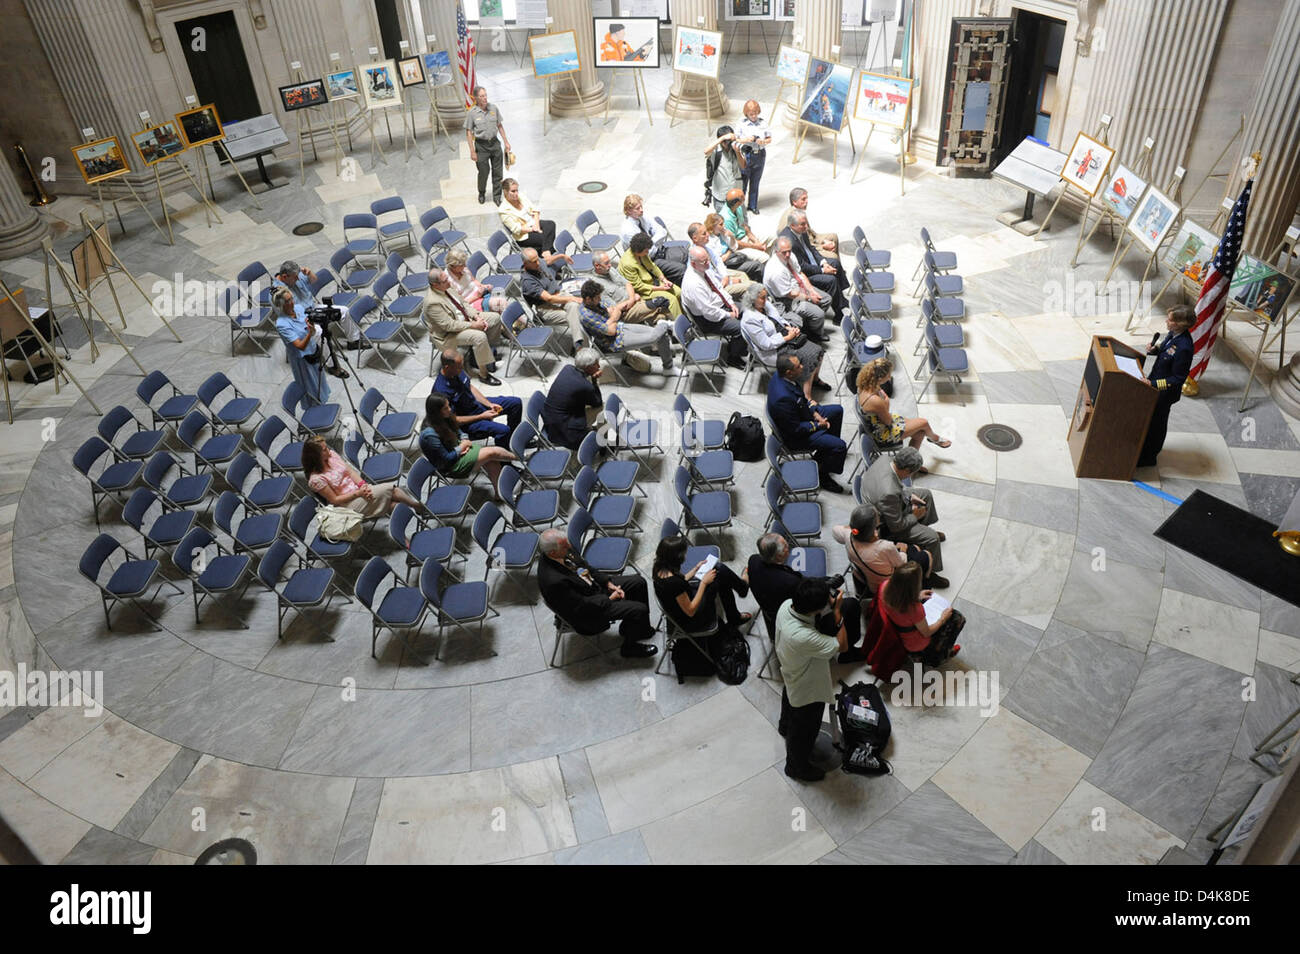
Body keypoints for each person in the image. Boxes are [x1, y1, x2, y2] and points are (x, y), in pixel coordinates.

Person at [537, 529, 657, 658]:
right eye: (565, 546)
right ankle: (629, 648)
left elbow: (586, 568)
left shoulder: (562, 550)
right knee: (639, 610)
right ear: (552, 552)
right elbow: (581, 606)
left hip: (592, 588)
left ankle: (638, 629)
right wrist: (609, 598)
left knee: (638, 582)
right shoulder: (554, 581)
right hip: (588, 612)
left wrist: (608, 584)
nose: (570, 547)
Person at [775, 577, 848, 782]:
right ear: (816, 609)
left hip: (790, 670)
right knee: (805, 730)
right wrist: (837, 612)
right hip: (808, 688)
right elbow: (842, 645)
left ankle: (784, 726)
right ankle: (796, 767)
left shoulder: (786, 605)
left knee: (789, 701)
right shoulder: (803, 636)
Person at [748, 533, 862, 662]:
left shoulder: (754, 560)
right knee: (852, 604)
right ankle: (849, 653)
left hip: (771, 610)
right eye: (786, 546)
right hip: (799, 618)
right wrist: (833, 603)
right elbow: (813, 604)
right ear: (779, 556)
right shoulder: (790, 583)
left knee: (825, 581)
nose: (789, 546)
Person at [860, 446, 948, 587]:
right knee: (933, 538)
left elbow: (897, 486)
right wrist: (914, 515)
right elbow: (896, 526)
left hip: (886, 501)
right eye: (912, 473)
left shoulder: (885, 459)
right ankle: (930, 574)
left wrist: (908, 495)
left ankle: (921, 531)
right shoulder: (888, 492)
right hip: (885, 523)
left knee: (926, 494)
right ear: (907, 471)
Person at [767, 353, 847, 492]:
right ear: (789, 372)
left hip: (802, 415)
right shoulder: (782, 398)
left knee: (837, 410)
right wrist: (818, 425)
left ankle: (827, 453)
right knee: (840, 446)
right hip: (797, 437)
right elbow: (795, 429)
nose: (802, 367)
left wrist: (815, 413)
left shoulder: (782, 377)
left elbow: (801, 399)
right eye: (799, 366)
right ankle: (823, 475)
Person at [418, 393, 516, 499]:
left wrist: (464, 439)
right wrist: (461, 448)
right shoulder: (429, 435)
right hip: (451, 465)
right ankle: (520, 457)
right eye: (446, 408)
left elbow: (458, 429)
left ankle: (499, 494)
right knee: (492, 452)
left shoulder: (444, 416)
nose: (450, 409)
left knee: (491, 459)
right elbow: (446, 459)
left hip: (458, 449)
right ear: (437, 412)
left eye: (448, 406)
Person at [738, 284, 827, 399]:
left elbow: (778, 319)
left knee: (819, 351)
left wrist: (788, 327)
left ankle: (815, 379)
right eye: (763, 298)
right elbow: (766, 344)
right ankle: (807, 397)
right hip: (773, 349)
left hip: (783, 335)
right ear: (752, 300)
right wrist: (787, 337)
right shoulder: (750, 319)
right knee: (809, 357)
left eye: (766, 296)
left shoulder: (765, 304)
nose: (766, 300)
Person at [652, 536, 751, 636]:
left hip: (683, 604)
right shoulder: (673, 583)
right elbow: (690, 611)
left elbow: (681, 582)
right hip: (692, 620)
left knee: (718, 572)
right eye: (684, 554)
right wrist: (703, 583)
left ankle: (738, 602)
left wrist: (696, 569)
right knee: (720, 576)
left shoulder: (659, 567)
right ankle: (741, 594)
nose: (685, 556)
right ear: (676, 557)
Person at [832, 503, 932, 598]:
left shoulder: (848, 535)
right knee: (925, 554)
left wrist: (850, 529)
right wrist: (903, 550)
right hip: (887, 585)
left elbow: (835, 530)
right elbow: (901, 564)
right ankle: (924, 587)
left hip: (866, 574)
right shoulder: (884, 547)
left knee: (914, 548)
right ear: (874, 529)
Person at [422, 268, 503, 385]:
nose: (449, 282)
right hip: (448, 334)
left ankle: (481, 355)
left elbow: (464, 304)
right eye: (445, 281)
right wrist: (473, 325)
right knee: (479, 336)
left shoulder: (446, 286)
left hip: (463, 318)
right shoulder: (432, 303)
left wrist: (476, 317)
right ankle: (483, 374)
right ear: (435, 285)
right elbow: (449, 325)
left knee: (495, 318)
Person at [302, 435, 419, 516]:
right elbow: (335, 500)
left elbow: (350, 471)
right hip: (347, 505)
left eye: (326, 447)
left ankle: (402, 534)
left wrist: (363, 485)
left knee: (393, 505)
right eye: (324, 449)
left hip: (359, 491)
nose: (328, 450)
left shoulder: (332, 455)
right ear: (315, 456)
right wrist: (358, 493)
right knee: (391, 489)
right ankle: (417, 506)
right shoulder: (316, 479)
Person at [1137, 305, 1195, 468]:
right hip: (1154, 383)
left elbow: (1178, 378)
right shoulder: (1173, 334)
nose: (1166, 321)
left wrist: (1153, 384)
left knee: (1156, 424)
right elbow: (1165, 352)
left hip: (1164, 393)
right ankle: (1142, 449)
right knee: (1148, 421)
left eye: (1169, 319)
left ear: (1179, 324)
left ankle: (1149, 457)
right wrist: (1154, 349)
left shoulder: (1184, 347)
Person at [578, 279, 674, 374]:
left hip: (621, 327)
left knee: (660, 333)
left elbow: (615, 309)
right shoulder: (586, 315)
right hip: (614, 341)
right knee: (654, 337)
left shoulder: (596, 303)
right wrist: (613, 317)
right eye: (597, 297)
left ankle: (668, 368)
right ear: (588, 299)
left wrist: (611, 318)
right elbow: (611, 331)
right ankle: (665, 324)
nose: (600, 299)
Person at [875, 561, 961, 666]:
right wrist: (942, 618)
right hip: (916, 643)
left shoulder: (885, 587)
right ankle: (942, 653)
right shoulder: (914, 608)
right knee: (957, 618)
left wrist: (918, 596)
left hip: (899, 627)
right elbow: (927, 632)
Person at [856, 358, 951, 450]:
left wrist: (883, 400)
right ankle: (935, 438)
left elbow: (881, 398)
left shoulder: (866, 384)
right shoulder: (874, 400)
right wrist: (886, 401)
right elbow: (888, 421)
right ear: (880, 378)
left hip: (877, 422)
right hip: (882, 433)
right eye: (888, 375)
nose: (889, 377)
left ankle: (909, 464)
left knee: (920, 433)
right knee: (924, 422)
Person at [433, 348, 522, 446]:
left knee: (515, 403)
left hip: (475, 405)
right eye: (459, 367)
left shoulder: (456, 371)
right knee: (503, 430)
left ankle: (514, 441)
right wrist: (481, 417)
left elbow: (470, 387)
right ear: (447, 367)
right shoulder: (440, 391)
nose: (462, 369)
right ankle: (504, 459)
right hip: (467, 422)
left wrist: (489, 404)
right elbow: (454, 420)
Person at [780, 210, 847, 318]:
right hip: (804, 274)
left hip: (812, 262)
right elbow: (802, 267)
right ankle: (838, 314)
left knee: (835, 263)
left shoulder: (802, 230)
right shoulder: (789, 241)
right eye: (803, 224)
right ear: (792, 225)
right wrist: (822, 270)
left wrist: (823, 262)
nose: (806, 226)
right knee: (831, 280)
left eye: (806, 223)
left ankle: (841, 299)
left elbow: (811, 249)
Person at [272, 286, 331, 408]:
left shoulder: (299, 309)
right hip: (302, 361)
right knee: (310, 388)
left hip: (313, 351)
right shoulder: (282, 324)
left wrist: (312, 328)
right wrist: (309, 333)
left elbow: (311, 329)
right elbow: (299, 346)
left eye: (291, 299)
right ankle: (314, 413)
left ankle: (323, 405)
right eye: (287, 301)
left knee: (320, 382)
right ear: (281, 305)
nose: (292, 302)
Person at [763, 236, 831, 339]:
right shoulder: (776, 271)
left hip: (798, 287)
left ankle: (811, 325)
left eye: (789, 251)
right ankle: (815, 334)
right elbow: (790, 294)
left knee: (826, 299)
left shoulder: (790, 256)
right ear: (776, 252)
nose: (788, 255)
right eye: (784, 252)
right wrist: (809, 297)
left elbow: (800, 273)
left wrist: (811, 290)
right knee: (819, 314)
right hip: (787, 299)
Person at [519, 248, 586, 350]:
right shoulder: (527, 282)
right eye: (534, 262)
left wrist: (561, 256)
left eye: (538, 259)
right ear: (525, 263)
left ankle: (579, 344)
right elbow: (549, 298)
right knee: (579, 316)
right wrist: (571, 298)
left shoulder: (536, 262)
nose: (538, 263)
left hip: (559, 295)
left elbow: (547, 261)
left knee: (576, 307)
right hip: (546, 308)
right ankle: (582, 350)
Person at [618, 194, 687, 286]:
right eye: (637, 208)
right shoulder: (628, 230)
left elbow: (662, 231)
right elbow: (646, 252)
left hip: (659, 251)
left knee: (685, 253)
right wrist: (654, 241)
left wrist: (650, 242)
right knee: (681, 269)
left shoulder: (642, 217)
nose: (641, 210)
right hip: (648, 261)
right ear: (629, 211)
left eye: (641, 206)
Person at [542, 349, 604, 451]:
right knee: (602, 411)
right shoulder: (584, 385)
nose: (599, 367)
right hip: (563, 431)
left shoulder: (568, 368)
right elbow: (597, 402)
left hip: (551, 420)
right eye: (596, 364)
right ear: (588, 367)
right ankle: (606, 444)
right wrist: (594, 380)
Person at [681, 245, 743, 339]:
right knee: (742, 328)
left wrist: (731, 303)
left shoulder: (703, 268)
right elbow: (709, 312)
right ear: (693, 264)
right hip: (709, 319)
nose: (708, 263)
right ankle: (735, 352)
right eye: (704, 261)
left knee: (750, 310)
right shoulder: (694, 284)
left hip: (720, 306)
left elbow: (718, 288)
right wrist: (729, 314)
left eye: (708, 259)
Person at [619, 232, 682, 317]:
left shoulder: (642, 253)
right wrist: (661, 288)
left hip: (653, 282)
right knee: (671, 300)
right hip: (645, 291)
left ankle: (685, 315)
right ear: (638, 251)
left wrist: (664, 280)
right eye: (646, 251)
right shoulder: (628, 264)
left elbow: (652, 266)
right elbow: (639, 286)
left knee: (679, 292)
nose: (647, 252)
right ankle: (679, 323)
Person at [467, 86, 511, 205]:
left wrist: (506, 142)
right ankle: (481, 192)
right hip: (481, 146)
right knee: (483, 172)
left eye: (485, 95)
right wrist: (472, 151)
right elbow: (469, 132)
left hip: (495, 143)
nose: (485, 98)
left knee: (498, 172)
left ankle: (497, 196)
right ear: (476, 98)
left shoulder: (493, 108)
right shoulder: (472, 113)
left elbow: (500, 125)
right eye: (481, 96)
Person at [589, 251, 660, 324]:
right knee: (659, 303)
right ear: (597, 266)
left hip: (635, 300)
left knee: (660, 315)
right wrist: (631, 301)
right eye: (606, 263)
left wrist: (632, 298)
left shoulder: (610, 270)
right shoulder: (596, 286)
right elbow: (614, 308)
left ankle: (662, 325)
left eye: (609, 262)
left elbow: (627, 284)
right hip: (627, 312)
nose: (610, 265)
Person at [688, 220, 750, 296]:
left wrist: (725, 276)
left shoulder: (707, 247)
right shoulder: (696, 257)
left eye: (707, 232)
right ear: (695, 238)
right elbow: (710, 279)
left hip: (721, 278)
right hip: (717, 289)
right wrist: (730, 281)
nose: (708, 235)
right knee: (750, 287)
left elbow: (718, 262)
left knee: (743, 275)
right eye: (704, 234)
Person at [779, 187, 840, 261]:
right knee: (833, 256)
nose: (807, 201)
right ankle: (831, 267)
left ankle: (838, 269)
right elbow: (804, 244)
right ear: (794, 202)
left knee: (833, 236)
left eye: (807, 198)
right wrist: (823, 246)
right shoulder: (793, 217)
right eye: (803, 199)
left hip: (812, 239)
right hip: (805, 247)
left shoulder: (799, 212)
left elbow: (810, 232)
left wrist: (824, 241)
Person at [498, 178, 556, 254]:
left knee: (551, 224)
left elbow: (535, 210)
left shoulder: (520, 196)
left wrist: (537, 226)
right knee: (546, 237)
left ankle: (545, 252)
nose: (516, 193)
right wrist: (533, 229)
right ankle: (549, 253)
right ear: (505, 191)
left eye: (517, 190)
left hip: (533, 224)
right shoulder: (503, 210)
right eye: (513, 191)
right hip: (524, 234)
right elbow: (516, 229)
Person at [444, 248, 506, 314]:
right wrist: (476, 296)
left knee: (501, 303)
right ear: (453, 266)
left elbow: (474, 280)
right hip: (471, 304)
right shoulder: (447, 281)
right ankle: (509, 321)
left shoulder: (463, 269)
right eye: (462, 265)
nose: (465, 266)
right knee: (500, 303)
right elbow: (459, 305)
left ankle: (508, 320)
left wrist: (483, 286)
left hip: (480, 295)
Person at [736, 99, 771, 214]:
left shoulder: (763, 123)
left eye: (756, 113)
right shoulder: (741, 123)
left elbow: (769, 138)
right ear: (746, 113)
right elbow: (735, 139)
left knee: (755, 181)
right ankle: (739, 206)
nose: (754, 116)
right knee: (743, 182)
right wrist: (746, 139)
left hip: (759, 154)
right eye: (751, 114)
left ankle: (752, 205)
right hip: (746, 154)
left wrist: (763, 142)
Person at [706, 212, 763, 282]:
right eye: (721, 224)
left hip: (734, 258)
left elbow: (734, 247)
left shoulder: (722, 233)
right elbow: (720, 259)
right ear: (713, 226)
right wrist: (729, 251)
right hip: (727, 266)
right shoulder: (710, 241)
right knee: (757, 266)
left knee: (754, 263)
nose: (723, 226)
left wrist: (731, 236)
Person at [721, 188, 771, 263]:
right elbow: (734, 243)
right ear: (738, 202)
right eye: (743, 197)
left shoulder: (738, 208)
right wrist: (756, 246)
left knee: (771, 238)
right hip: (736, 247)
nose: (744, 197)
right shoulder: (726, 219)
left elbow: (744, 226)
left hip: (745, 237)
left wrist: (756, 241)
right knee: (765, 258)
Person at [703, 125, 745, 212]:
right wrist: (722, 138)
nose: (727, 143)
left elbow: (743, 166)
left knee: (739, 220)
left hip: (736, 193)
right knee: (722, 221)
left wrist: (738, 152)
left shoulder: (735, 148)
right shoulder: (716, 151)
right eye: (725, 141)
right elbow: (706, 151)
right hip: (721, 195)